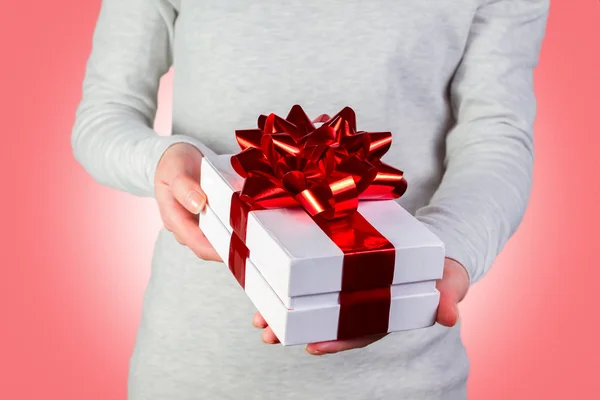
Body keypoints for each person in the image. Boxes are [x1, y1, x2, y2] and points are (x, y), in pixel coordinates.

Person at [71, 0, 549, 398]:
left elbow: (497, 135)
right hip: (193, 372)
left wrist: (444, 260)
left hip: (407, 378)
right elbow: (105, 114)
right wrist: (163, 160)